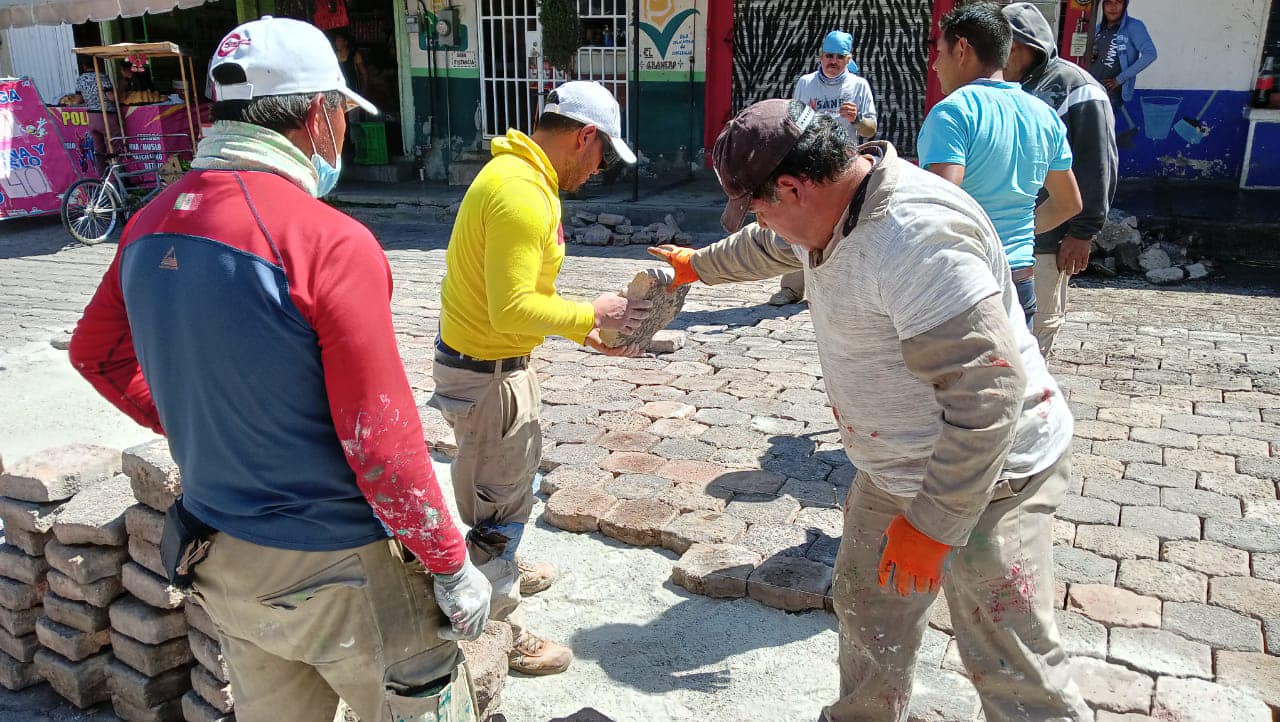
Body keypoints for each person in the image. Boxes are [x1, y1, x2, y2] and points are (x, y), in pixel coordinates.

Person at [68, 17, 491, 722]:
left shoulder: (148, 224)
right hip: (343, 573)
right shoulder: (327, 242)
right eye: (343, 119)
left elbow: (97, 353)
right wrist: (450, 564)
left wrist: (201, 425)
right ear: (321, 114)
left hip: (225, 560)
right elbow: (379, 443)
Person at [649, 99, 1087, 722]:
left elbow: (987, 399)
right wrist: (697, 267)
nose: (760, 220)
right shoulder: (831, 206)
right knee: (867, 608)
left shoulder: (916, 241)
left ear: (794, 187)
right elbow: (769, 247)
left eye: (758, 204)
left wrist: (934, 527)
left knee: (1010, 656)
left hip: (993, 476)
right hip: (895, 468)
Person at [431, 80, 648, 676]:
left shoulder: (518, 177)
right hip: (488, 377)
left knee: (506, 482)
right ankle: (496, 626)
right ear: (584, 138)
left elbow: (522, 298)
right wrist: (590, 314)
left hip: (490, 366)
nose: (599, 168)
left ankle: (501, 557)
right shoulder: (522, 194)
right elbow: (512, 309)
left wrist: (583, 333)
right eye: (602, 153)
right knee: (495, 502)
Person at [917, 2, 1082, 331]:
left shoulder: (953, 113)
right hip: (1020, 280)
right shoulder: (1042, 115)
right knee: (1012, 381)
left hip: (963, 282)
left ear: (962, 48)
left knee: (952, 383)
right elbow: (1069, 203)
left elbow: (941, 204)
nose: (934, 66)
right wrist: (1013, 235)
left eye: (939, 52)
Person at [1003, 3, 1118, 355]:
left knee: (1034, 333)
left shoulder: (1076, 88)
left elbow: (1097, 163)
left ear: (1022, 46)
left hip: (1049, 240)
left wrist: (1083, 232)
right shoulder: (1010, 87)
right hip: (1007, 237)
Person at [771, 29, 877, 307]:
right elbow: (791, 122)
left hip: (844, 168)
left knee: (844, 229)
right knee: (797, 224)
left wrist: (856, 120)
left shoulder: (859, 86)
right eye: (828, 55)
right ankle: (791, 288)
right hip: (807, 164)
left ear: (848, 58)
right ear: (820, 56)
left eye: (839, 57)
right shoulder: (806, 84)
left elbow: (871, 128)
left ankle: (837, 293)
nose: (833, 61)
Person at [1089, 0, 1157, 141]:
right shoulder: (1096, 29)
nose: (1113, 7)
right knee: (1088, 137)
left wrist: (1119, 79)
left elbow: (1150, 54)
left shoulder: (1134, 26)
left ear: (1125, 5)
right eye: (1108, 2)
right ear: (1102, 5)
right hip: (1090, 91)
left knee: (1100, 138)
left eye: (1118, 2)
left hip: (1111, 95)